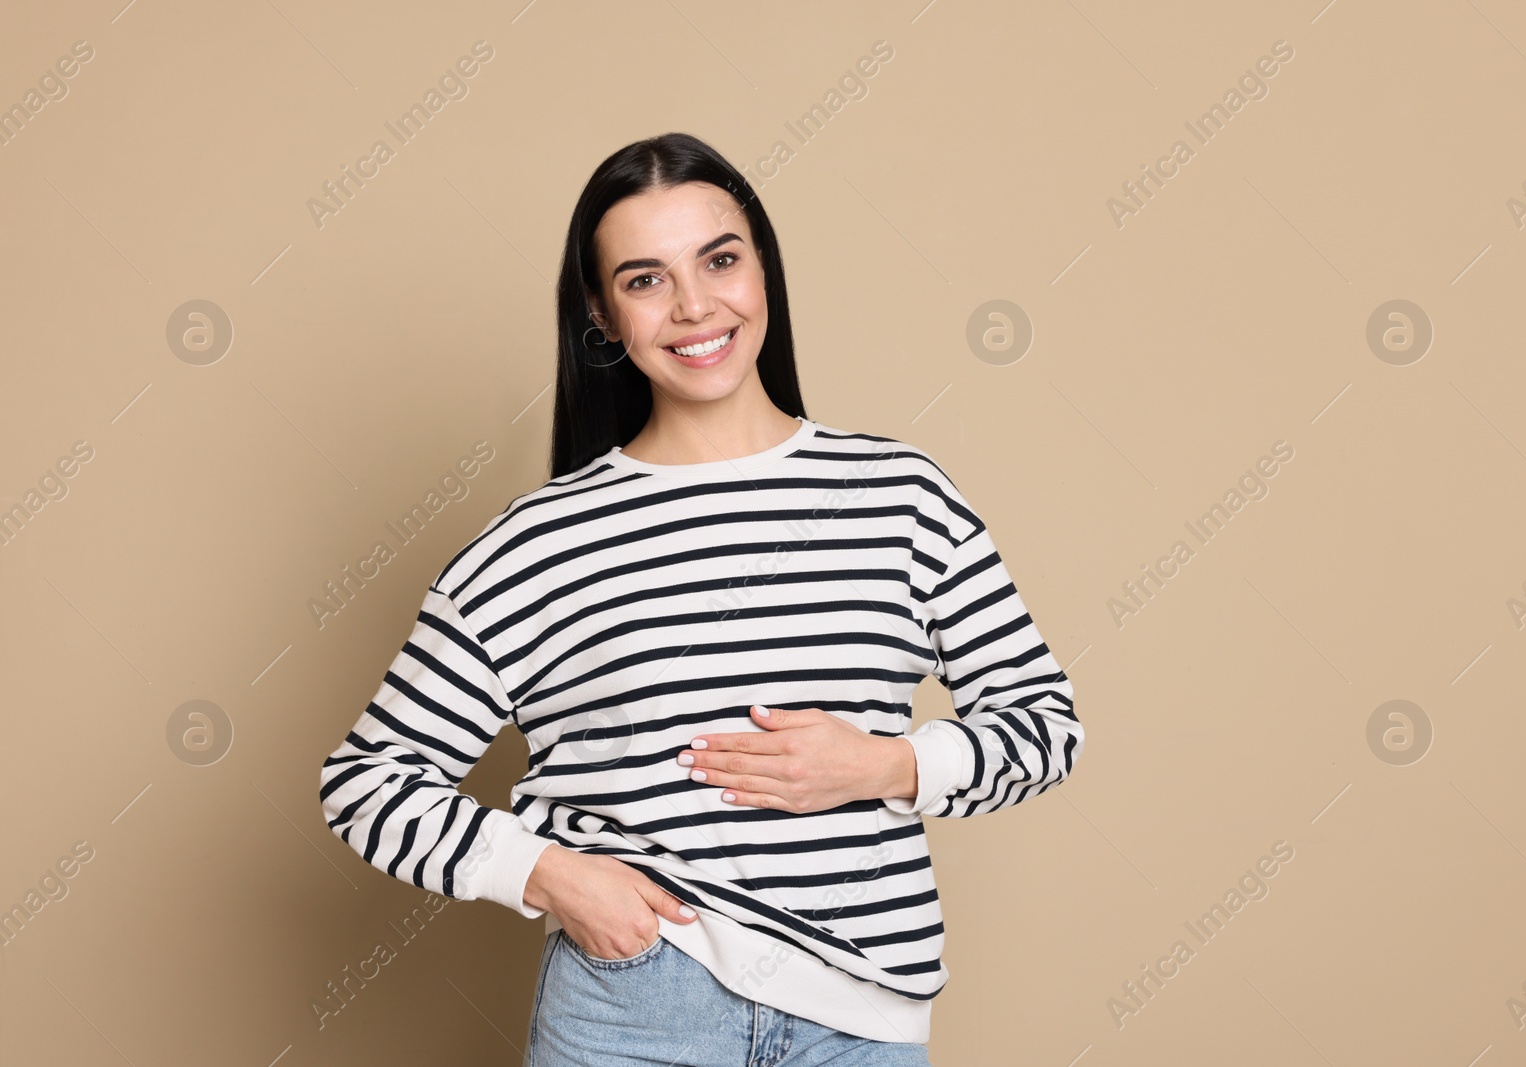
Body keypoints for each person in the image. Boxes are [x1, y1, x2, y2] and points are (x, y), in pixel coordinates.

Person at [319, 131, 1084, 1066]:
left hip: (862, 1023)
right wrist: (551, 875)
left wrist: (883, 766)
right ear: (602, 315)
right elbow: (367, 782)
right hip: (630, 1012)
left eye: (719, 260)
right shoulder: (535, 543)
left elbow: (1046, 727)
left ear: (763, 269)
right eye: (645, 280)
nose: (694, 305)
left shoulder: (901, 496)